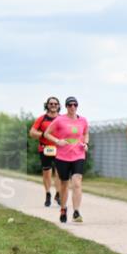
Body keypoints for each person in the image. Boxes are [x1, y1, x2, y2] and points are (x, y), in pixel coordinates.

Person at [43, 96, 89, 224]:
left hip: (79, 155)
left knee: (77, 182)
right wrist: (58, 141)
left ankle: (76, 211)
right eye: (70, 105)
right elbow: (47, 133)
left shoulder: (83, 120)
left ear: (77, 106)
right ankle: (63, 209)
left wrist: (86, 143)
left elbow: (86, 133)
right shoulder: (59, 120)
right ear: (66, 106)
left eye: (75, 104)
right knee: (64, 184)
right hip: (62, 157)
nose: (72, 107)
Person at [29, 97, 63, 207]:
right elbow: (32, 132)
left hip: (59, 149)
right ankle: (48, 194)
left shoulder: (63, 119)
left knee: (59, 173)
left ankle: (58, 194)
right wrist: (43, 134)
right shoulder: (41, 119)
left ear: (58, 106)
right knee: (47, 173)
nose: (53, 105)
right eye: (51, 103)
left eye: (55, 103)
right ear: (47, 105)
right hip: (45, 148)